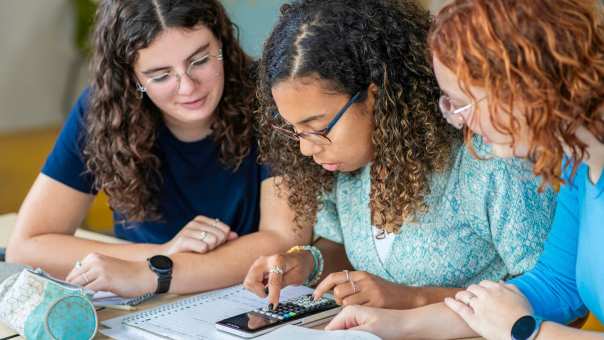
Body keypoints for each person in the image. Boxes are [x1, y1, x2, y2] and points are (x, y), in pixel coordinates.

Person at [242, 0, 556, 311]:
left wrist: (411, 299)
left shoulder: (492, 159)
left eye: (318, 127)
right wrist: (308, 262)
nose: (305, 148)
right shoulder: (344, 165)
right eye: (292, 129)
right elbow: (341, 245)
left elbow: (554, 295)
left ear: (376, 96)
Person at [326, 0, 604, 339]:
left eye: (462, 103)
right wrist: (396, 325)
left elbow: (520, 321)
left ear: (520, 84)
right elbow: (554, 285)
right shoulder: (578, 163)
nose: (460, 122)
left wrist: (526, 332)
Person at [6, 0, 308, 298]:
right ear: (131, 77)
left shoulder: (271, 97)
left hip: (251, 299)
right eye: (161, 76)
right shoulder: (103, 111)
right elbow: (27, 246)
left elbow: (285, 240)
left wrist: (153, 272)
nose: (188, 87)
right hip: (147, 309)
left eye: (200, 60)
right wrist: (160, 255)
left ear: (222, 44)